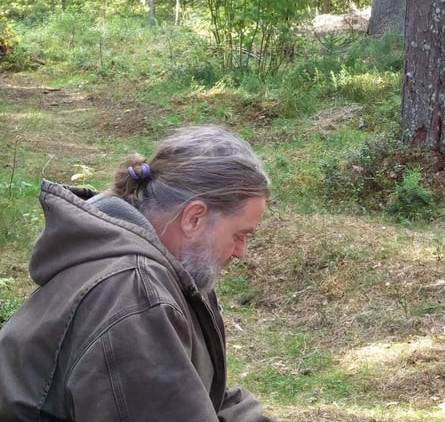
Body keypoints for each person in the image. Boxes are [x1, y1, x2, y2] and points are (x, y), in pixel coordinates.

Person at [0, 125, 275, 422]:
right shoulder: (135, 293)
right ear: (194, 218)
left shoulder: (168, 269)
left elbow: (208, 394)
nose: (240, 251)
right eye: (240, 234)